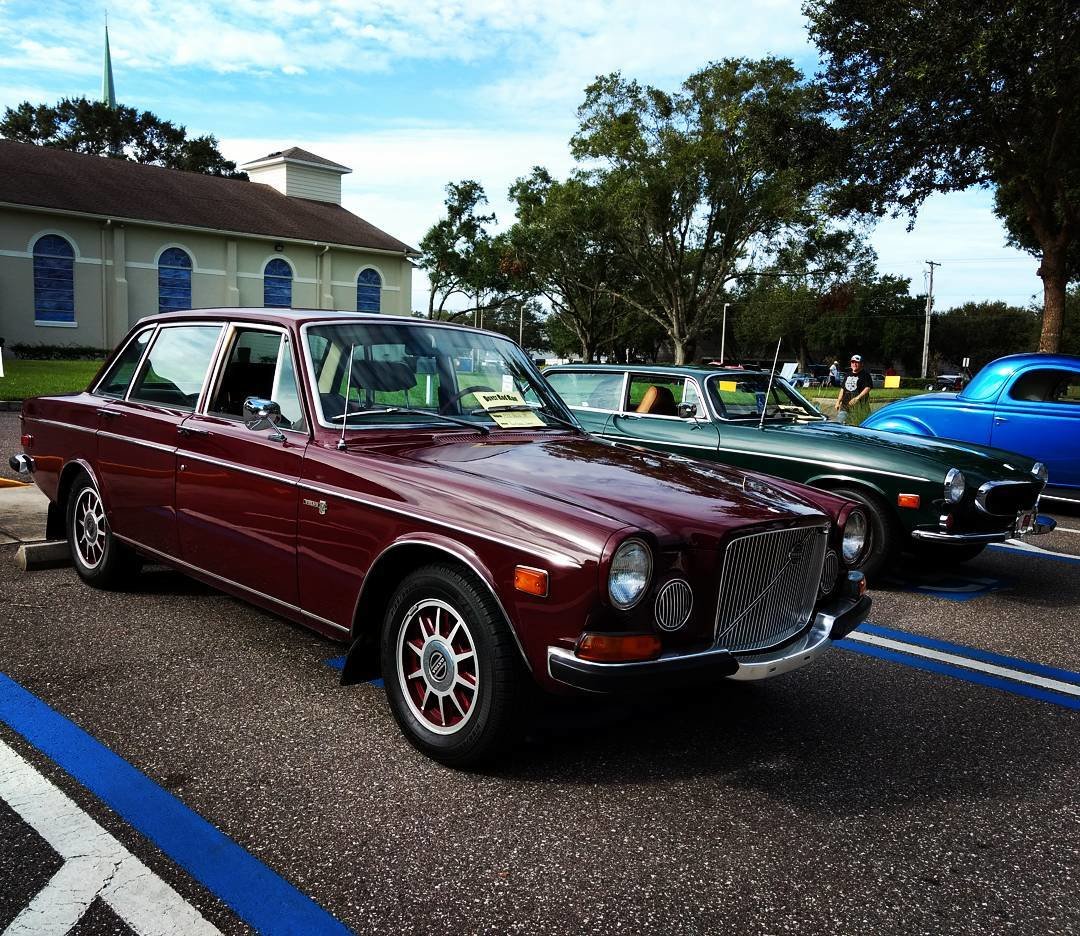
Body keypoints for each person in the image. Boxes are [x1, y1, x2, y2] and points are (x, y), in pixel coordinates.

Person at [835, 354, 873, 424]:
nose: (854, 364)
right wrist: (838, 401)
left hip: (860, 407)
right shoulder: (847, 374)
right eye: (852, 362)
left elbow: (868, 388)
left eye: (856, 362)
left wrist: (857, 398)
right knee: (839, 422)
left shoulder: (865, 375)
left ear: (861, 364)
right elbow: (843, 389)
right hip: (845, 406)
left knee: (865, 424)